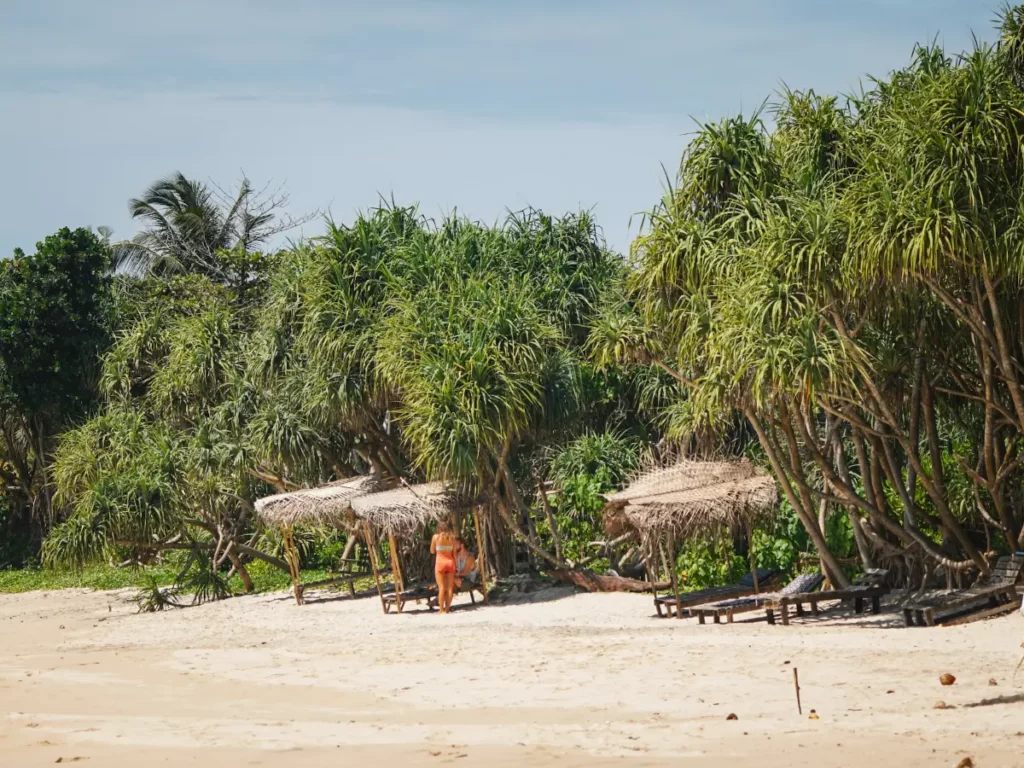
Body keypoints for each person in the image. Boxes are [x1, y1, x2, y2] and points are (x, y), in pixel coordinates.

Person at [430, 520, 457, 613]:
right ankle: (447, 609)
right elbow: (454, 553)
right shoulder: (452, 537)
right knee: (450, 587)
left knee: (441, 587)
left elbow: (432, 551)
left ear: (438, 528)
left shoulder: (436, 537)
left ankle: (441, 609)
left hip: (440, 563)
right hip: (450, 562)